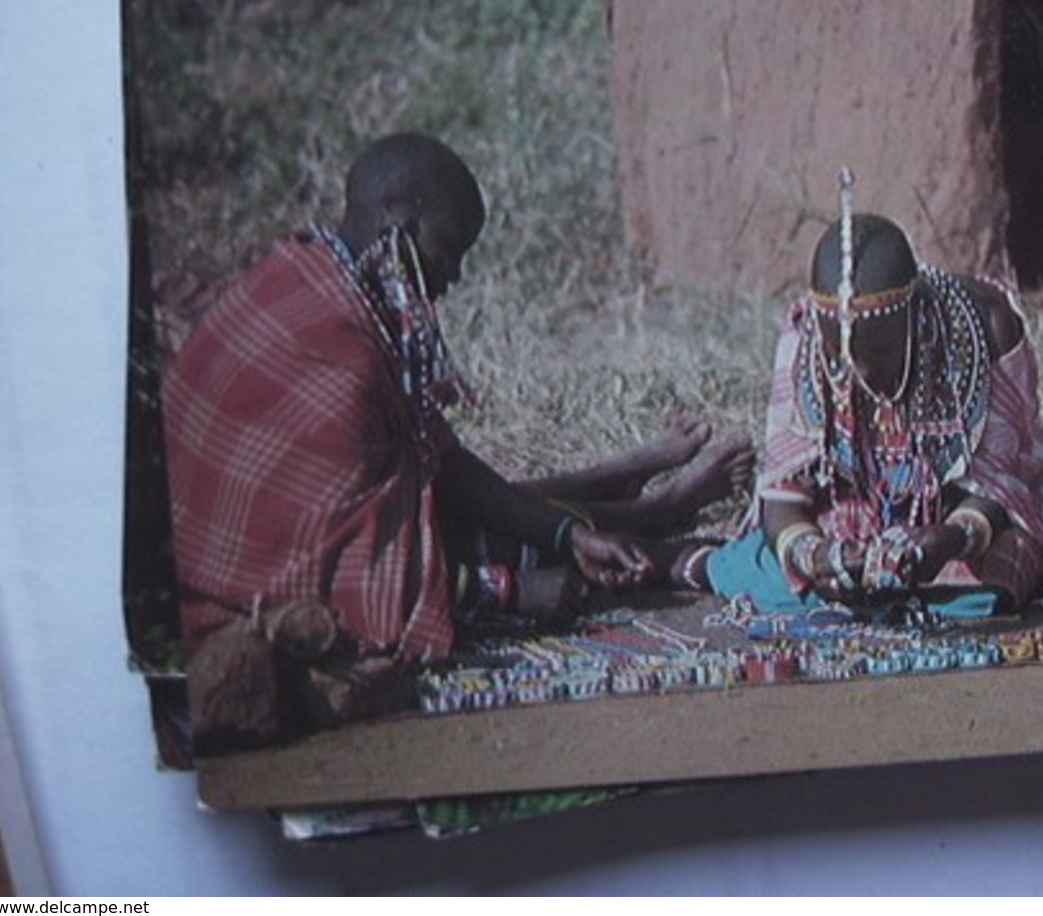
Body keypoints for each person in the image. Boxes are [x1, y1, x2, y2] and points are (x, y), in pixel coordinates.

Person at [164, 132, 754, 674]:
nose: (455, 275)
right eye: (449, 249)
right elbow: (334, 580)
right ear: (396, 218)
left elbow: (438, 464)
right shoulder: (336, 356)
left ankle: (642, 506)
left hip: (302, 537)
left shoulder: (320, 279)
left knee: (463, 509)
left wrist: (565, 538)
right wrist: (507, 590)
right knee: (459, 535)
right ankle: (654, 518)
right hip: (227, 584)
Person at [704, 198, 1043, 616]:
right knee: (770, 569)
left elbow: (1003, 485)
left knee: (994, 581)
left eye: (880, 348)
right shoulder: (803, 342)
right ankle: (709, 568)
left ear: (918, 312)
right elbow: (783, 497)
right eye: (840, 353)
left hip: (960, 534)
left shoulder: (985, 327)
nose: (861, 371)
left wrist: (953, 538)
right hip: (846, 527)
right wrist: (818, 557)